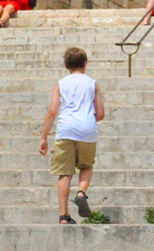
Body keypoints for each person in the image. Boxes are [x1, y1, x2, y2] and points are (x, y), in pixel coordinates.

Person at [38, 47, 106, 224]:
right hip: (87, 130)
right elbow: (100, 114)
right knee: (86, 166)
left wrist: (44, 137)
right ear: (85, 64)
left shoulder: (61, 84)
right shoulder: (92, 83)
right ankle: (81, 192)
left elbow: (52, 111)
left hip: (66, 130)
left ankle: (63, 216)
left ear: (66, 66)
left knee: (64, 173)